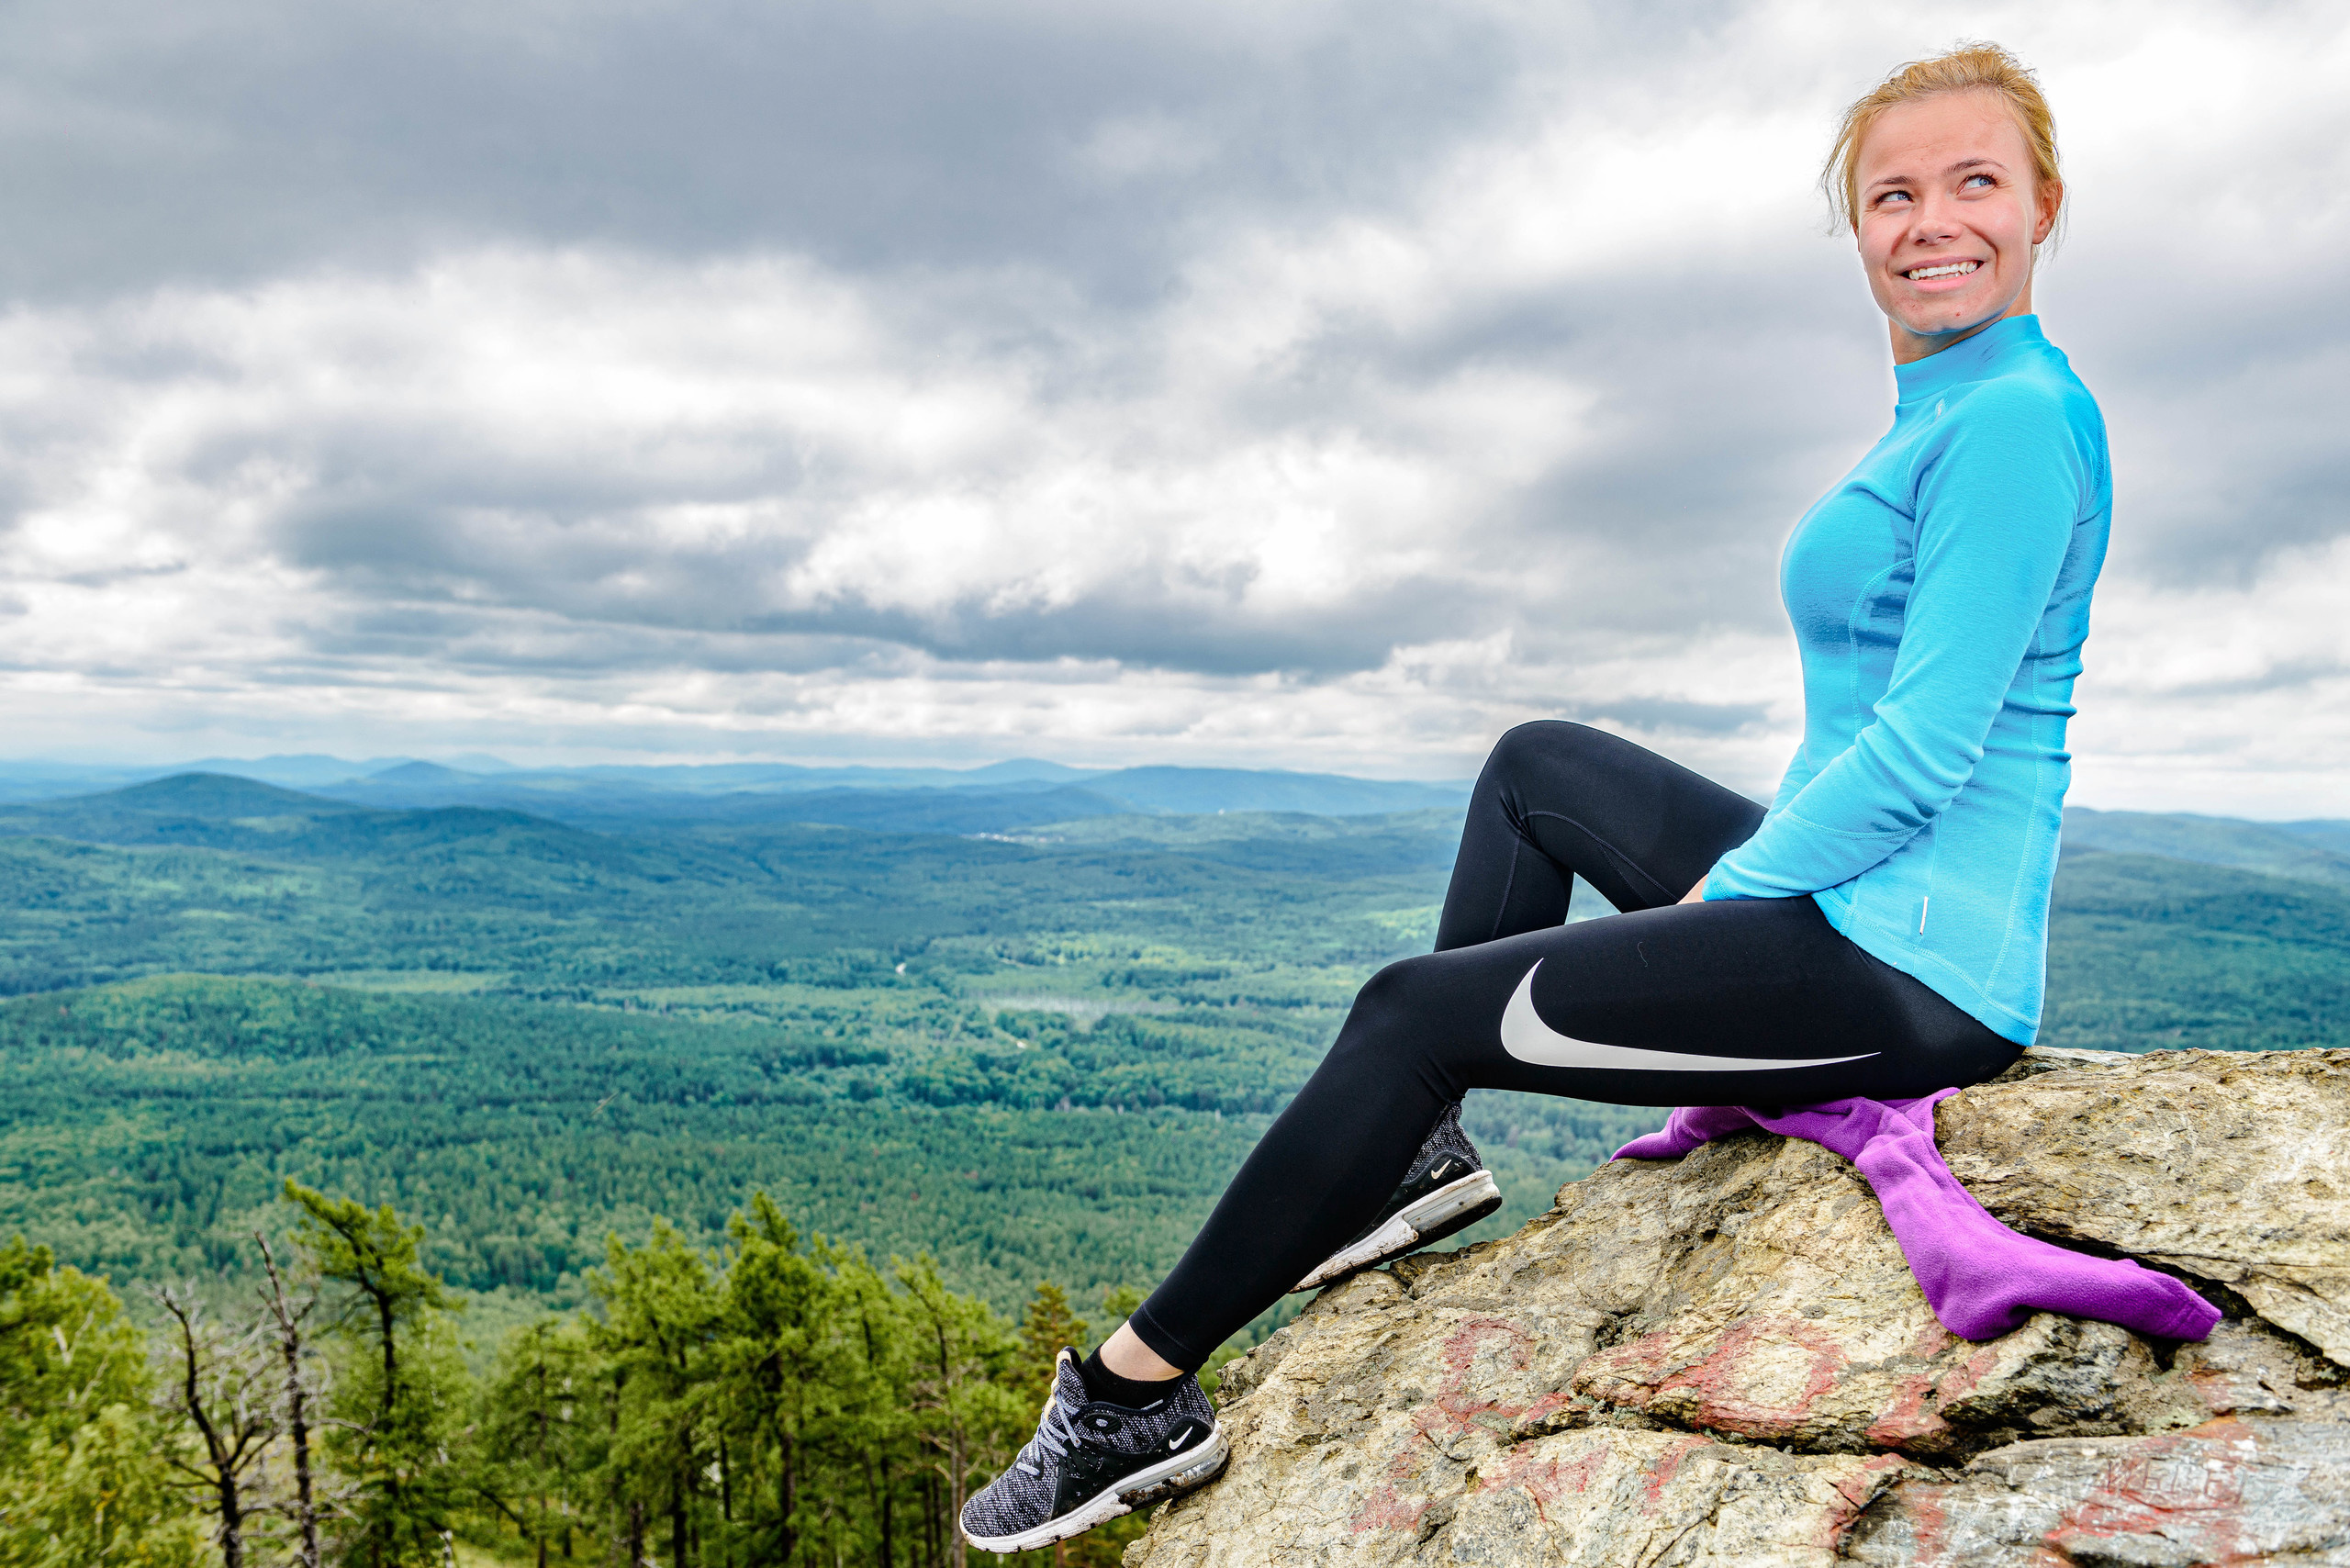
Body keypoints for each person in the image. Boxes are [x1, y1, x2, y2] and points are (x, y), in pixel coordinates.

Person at [961, 41, 2102, 1554]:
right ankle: (1410, 1162)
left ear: (2042, 207)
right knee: (1534, 767)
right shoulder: (1950, 411)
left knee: (1412, 1011)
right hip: (1855, 898)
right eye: (1894, 192)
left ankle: (1133, 1396)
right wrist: (1766, 876)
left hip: (1911, 968)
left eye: (1975, 182)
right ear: (1858, 228)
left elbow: (1926, 751)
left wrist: (1739, 891)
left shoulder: (2014, 423)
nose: (1932, 219)